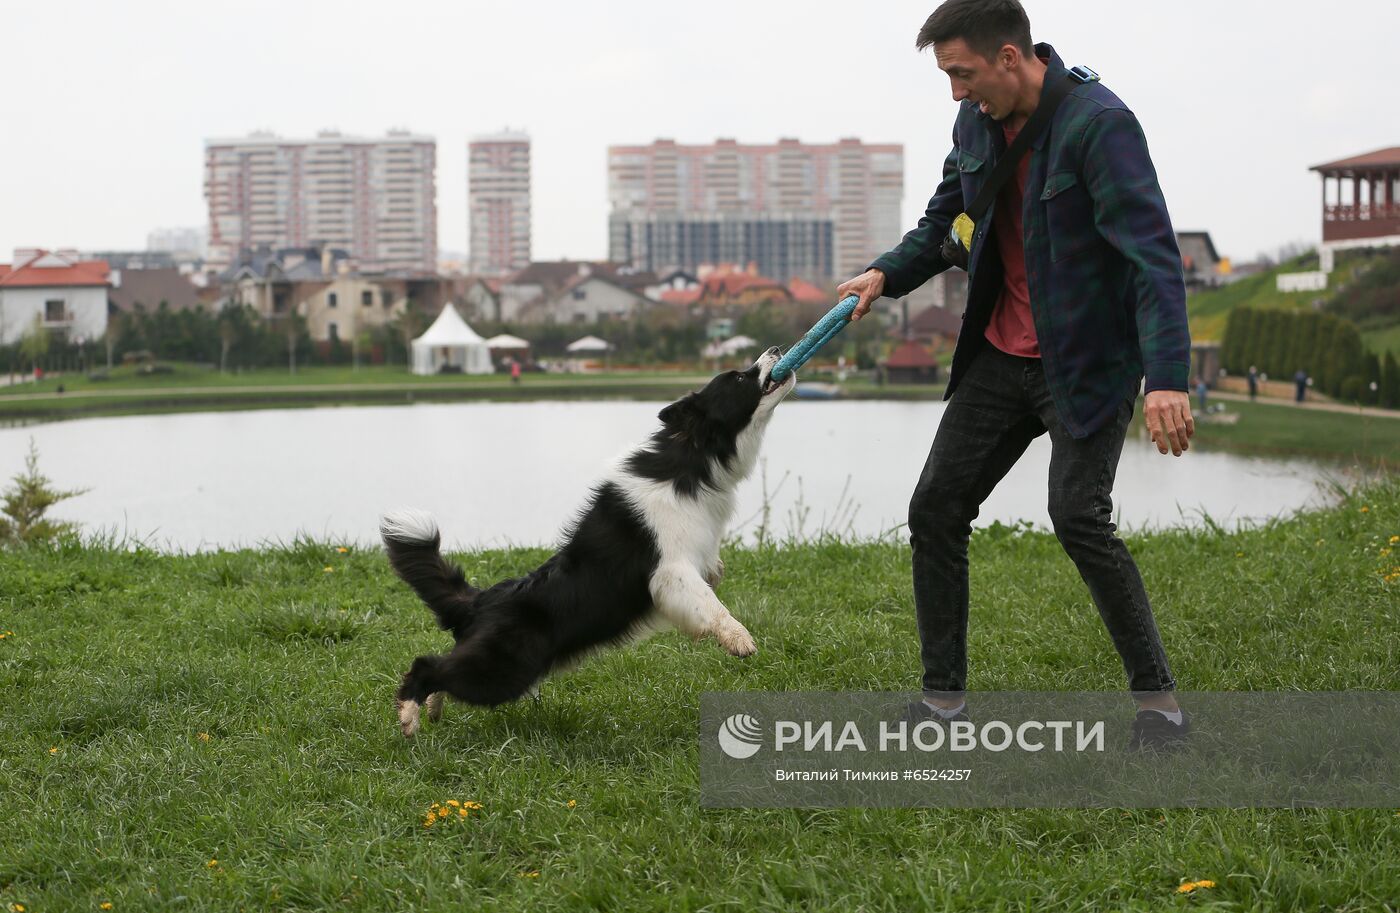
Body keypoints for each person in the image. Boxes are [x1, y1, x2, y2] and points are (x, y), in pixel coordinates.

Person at [837, 0, 1194, 750]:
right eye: (946, 76)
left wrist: (1165, 376)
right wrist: (882, 273)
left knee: (1077, 515)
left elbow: (1153, 259)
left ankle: (1160, 707)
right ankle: (942, 706)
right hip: (1001, 354)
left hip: (1085, 362)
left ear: (1009, 56)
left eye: (963, 74)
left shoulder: (1100, 125)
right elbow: (945, 225)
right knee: (935, 506)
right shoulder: (973, 125)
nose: (956, 93)